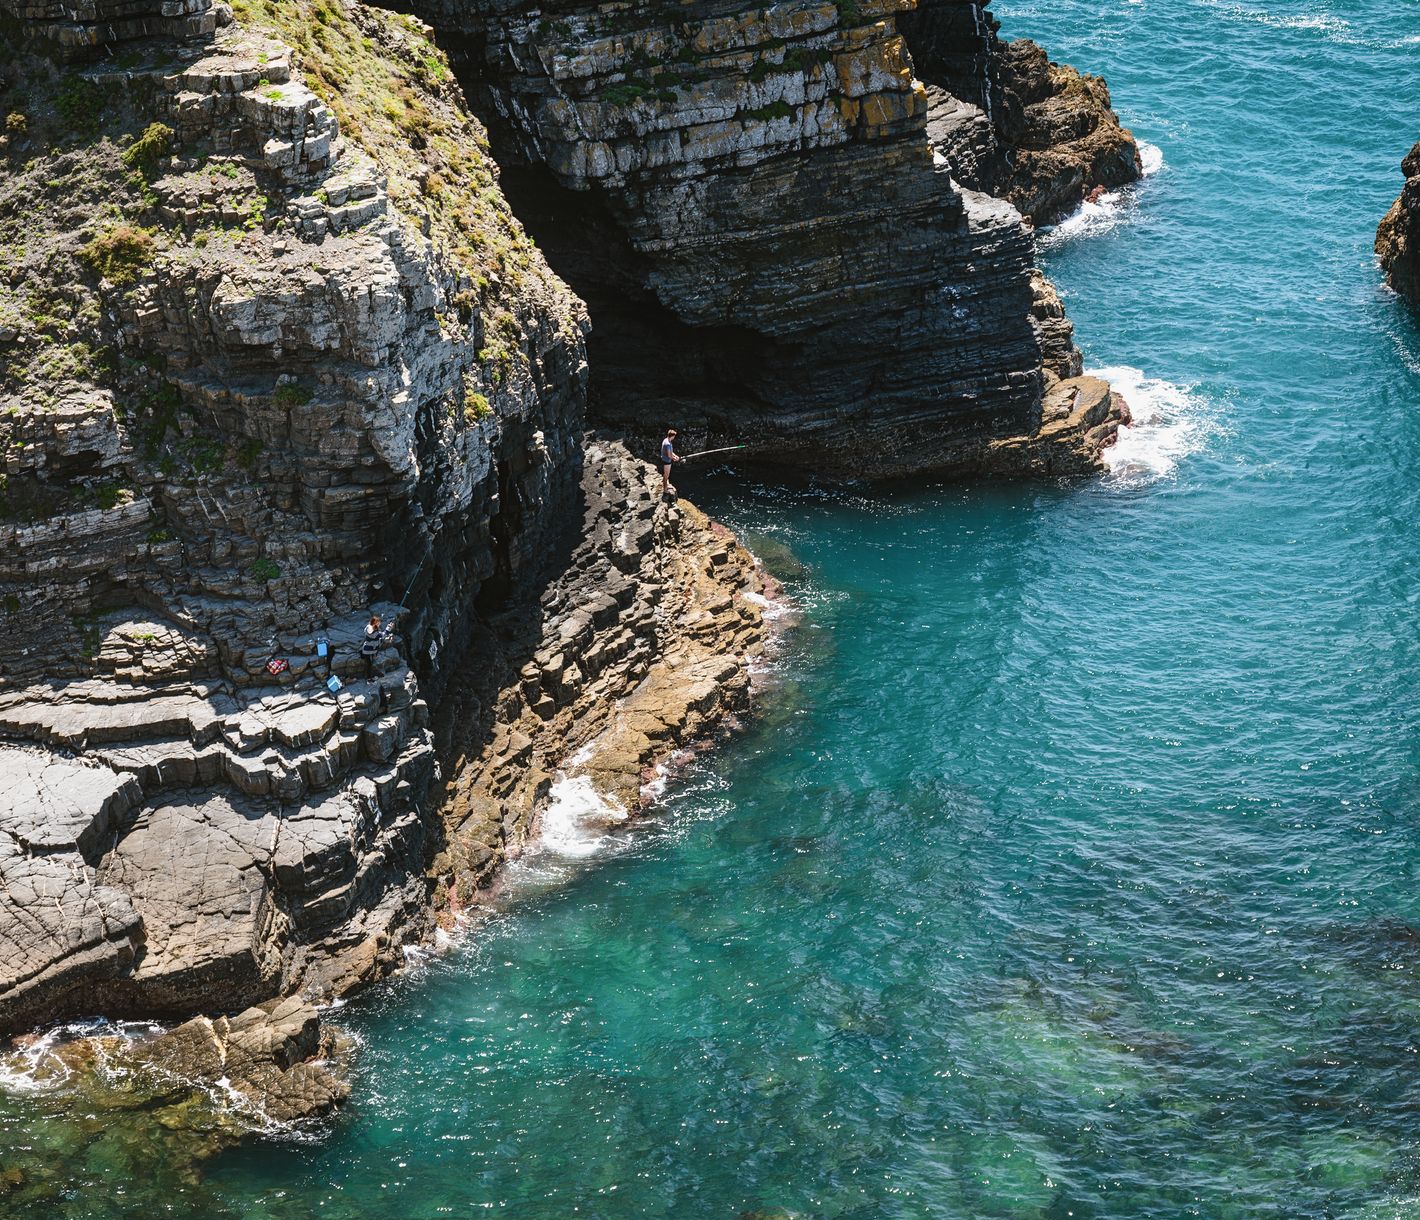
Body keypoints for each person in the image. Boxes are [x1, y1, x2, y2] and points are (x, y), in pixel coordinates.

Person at [361, 612, 391, 677]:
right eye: (378, 623)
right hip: (369, 650)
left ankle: (369, 675)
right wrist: (388, 628)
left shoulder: (367, 628)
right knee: (369, 664)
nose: (379, 623)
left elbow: (372, 630)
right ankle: (369, 678)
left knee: (370, 663)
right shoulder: (374, 633)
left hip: (368, 649)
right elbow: (383, 635)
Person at [660, 428, 680, 495]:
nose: (674, 437)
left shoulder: (666, 440)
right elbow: (669, 455)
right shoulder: (668, 444)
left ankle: (665, 485)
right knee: (666, 475)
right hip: (667, 461)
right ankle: (665, 490)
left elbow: (670, 452)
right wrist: (674, 459)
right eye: (674, 436)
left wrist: (675, 455)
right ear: (672, 436)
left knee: (666, 474)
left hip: (665, 459)